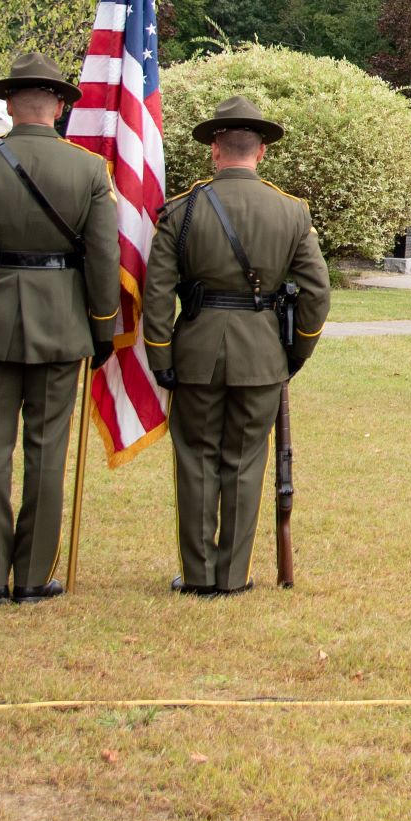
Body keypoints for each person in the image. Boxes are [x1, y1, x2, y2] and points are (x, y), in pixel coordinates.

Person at [143, 94, 331, 596]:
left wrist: (160, 356)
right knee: (246, 461)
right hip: (263, 354)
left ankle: (200, 574)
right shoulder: (291, 212)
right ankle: (233, 575)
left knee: (197, 458)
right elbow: (317, 292)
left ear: (215, 150)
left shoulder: (182, 211)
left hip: (197, 350)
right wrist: (295, 352)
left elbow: (157, 291)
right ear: (261, 151)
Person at [0, 50, 120, 604]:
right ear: (61, 107)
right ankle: (32, 578)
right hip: (61, 321)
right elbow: (101, 257)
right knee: (47, 452)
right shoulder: (88, 168)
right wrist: (102, 328)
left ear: (7, 104)